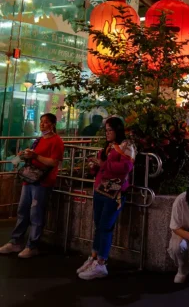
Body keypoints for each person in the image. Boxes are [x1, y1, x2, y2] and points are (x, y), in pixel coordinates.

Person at [77, 117, 136, 279]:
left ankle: (101, 263)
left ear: (117, 130)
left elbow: (126, 167)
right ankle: (94, 257)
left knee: (105, 226)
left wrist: (103, 164)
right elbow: (103, 166)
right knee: (98, 225)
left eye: (110, 130)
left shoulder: (127, 146)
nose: (107, 133)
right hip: (100, 189)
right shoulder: (109, 147)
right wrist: (94, 166)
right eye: (106, 130)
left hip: (114, 192)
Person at [0, 113, 64, 258]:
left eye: (46, 122)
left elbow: (55, 162)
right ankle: (16, 241)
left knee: (36, 213)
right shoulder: (39, 139)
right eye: (41, 122)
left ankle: (32, 245)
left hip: (43, 181)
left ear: (53, 124)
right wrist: (24, 155)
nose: (42, 124)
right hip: (29, 179)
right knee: (22, 210)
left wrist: (36, 156)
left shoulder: (57, 141)